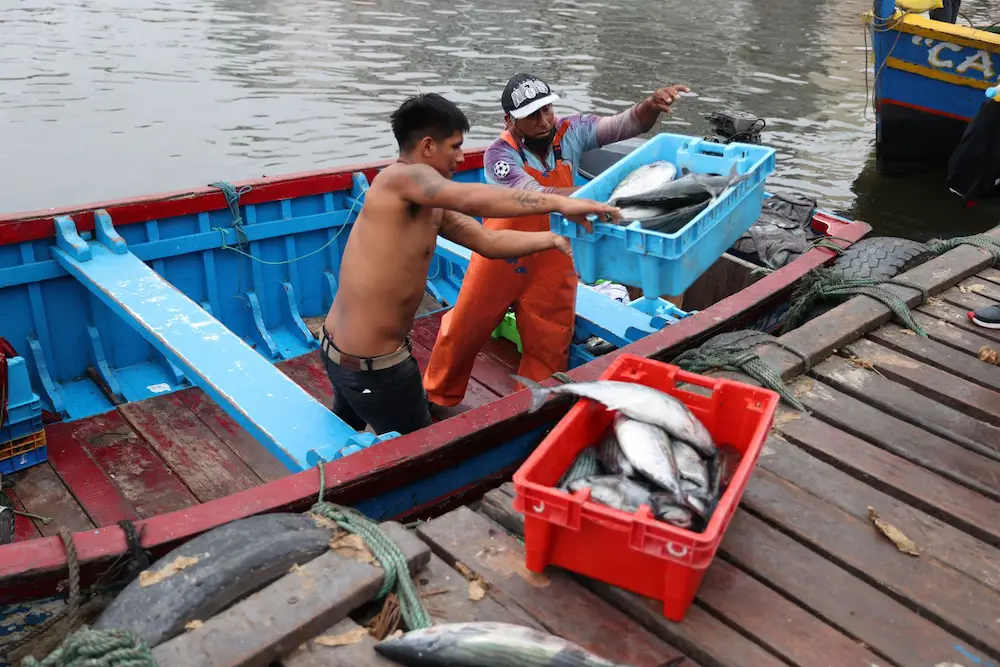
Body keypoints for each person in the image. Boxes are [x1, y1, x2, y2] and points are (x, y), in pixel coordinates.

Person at [320, 93, 621, 436]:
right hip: (375, 368)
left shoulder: (429, 203)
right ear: (428, 146)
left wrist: (553, 241)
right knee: (420, 454)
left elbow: (489, 243)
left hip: (340, 352)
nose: (462, 158)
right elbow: (472, 196)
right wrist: (558, 202)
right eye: (455, 147)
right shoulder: (399, 179)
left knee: (350, 426)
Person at [422, 73, 688, 411]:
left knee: (550, 341)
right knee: (463, 330)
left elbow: (624, 125)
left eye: (546, 109)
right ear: (510, 121)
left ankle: (529, 408)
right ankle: (436, 396)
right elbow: (535, 196)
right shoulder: (498, 156)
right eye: (532, 116)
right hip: (502, 254)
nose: (544, 120)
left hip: (554, 252)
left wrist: (651, 106)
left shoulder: (571, 130)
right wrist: (597, 197)